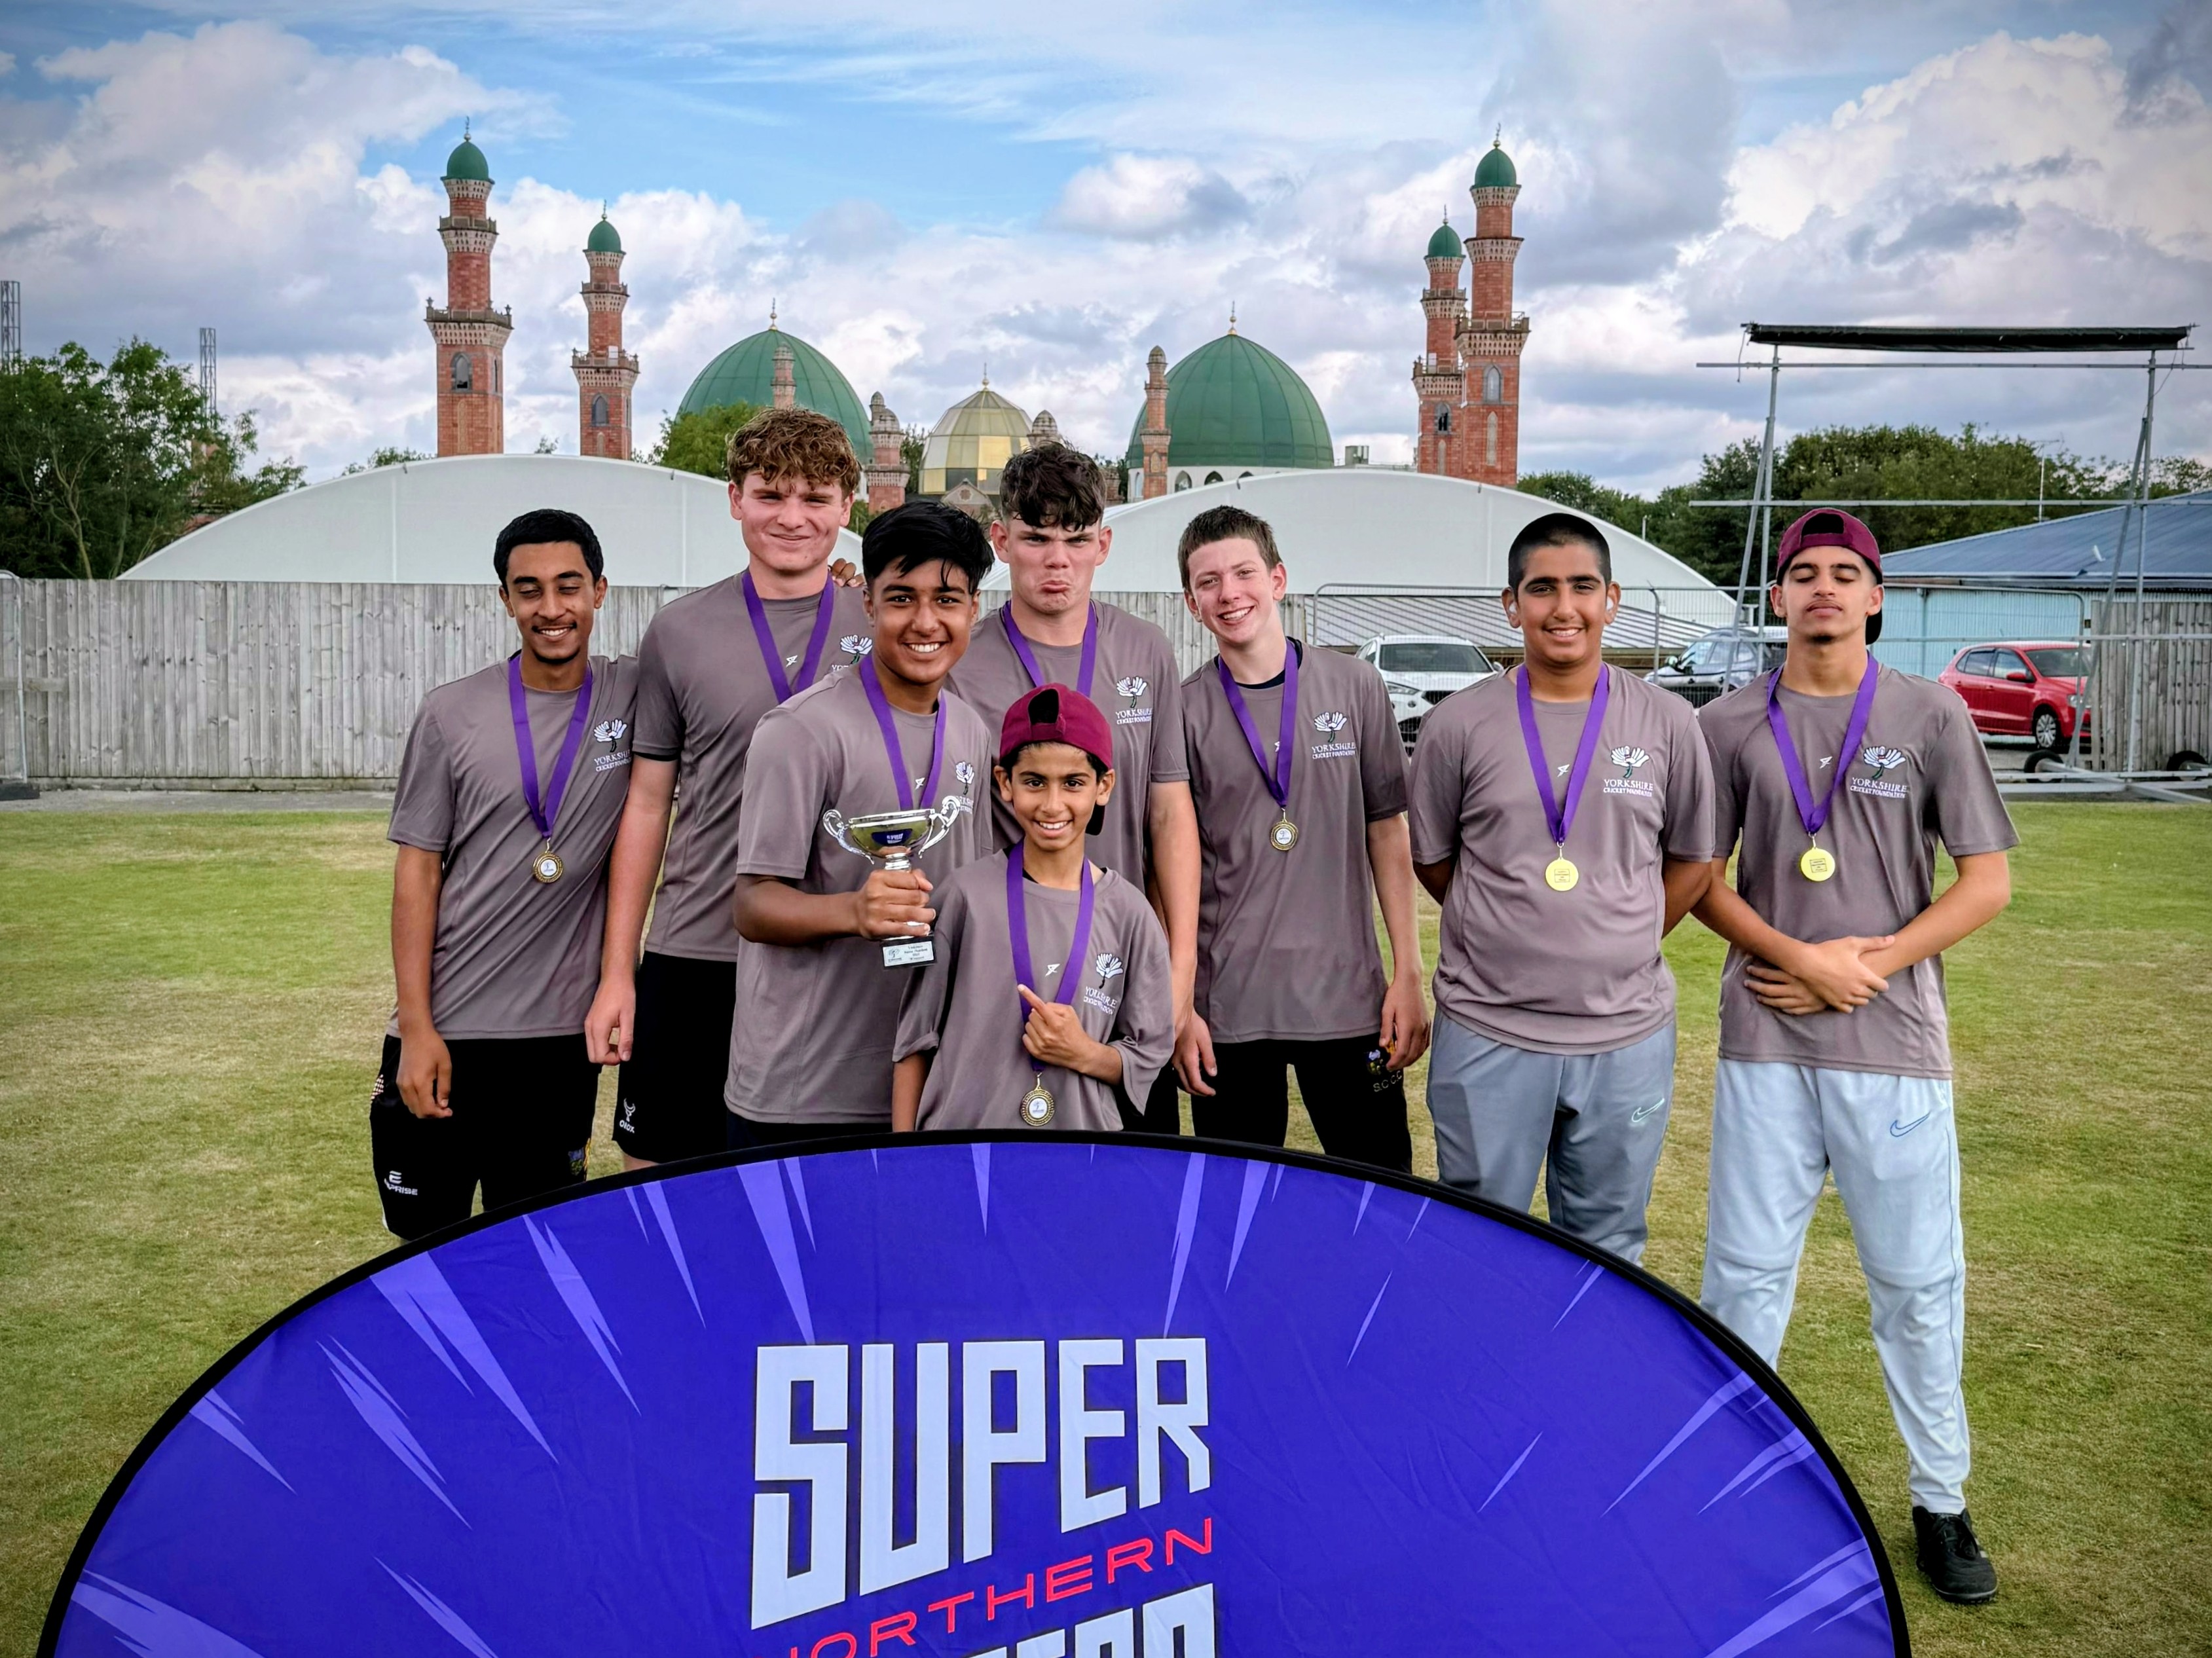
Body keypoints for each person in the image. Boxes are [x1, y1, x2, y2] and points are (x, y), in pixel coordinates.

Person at [1693, 508, 2015, 1604]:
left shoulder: (1929, 716)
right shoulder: (1728, 722)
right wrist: (1796, 957)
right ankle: (1722, 1486)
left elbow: (1984, 880)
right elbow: (1698, 880)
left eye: (1843, 574)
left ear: (1873, 596)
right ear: (1774, 597)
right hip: (1766, 1035)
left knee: (1916, 1283)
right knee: (1741, 1275)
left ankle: (1939, 1498)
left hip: (1890, 1041)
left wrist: (1865, 962)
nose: (1822, 589)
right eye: (1801, 574)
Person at [1409, 512, 1716, 1263]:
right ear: (1512, 604)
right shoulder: (1459, 724)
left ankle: (1590, 1384)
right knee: (1479, 1240)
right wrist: (1508, 928)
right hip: (1490, 1030)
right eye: (1541, 588)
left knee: (1609, 1247)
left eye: (1583, 586)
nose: (1563, 607)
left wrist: (1623, 935)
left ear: (1612, 599)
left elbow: (1694, 861)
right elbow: (1435, 860)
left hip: (1625, 1037)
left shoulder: (1670, 722)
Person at [585, 408, 870, 1168]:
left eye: (815, 498)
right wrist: (621, 972)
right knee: (664, 1187)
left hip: (838, 954)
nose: (792, 517)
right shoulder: (680, 631)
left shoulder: (882, 624)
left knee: (821, 1193)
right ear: (734, 498)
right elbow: (647, 805)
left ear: (848, 507)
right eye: (771, 494)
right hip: (700, 950)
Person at [373, 509, 638, 1239]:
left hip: (557, 1045)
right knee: (426, 1258)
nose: (551, 609)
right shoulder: (451, 714)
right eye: (529, 591)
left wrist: (840, 593)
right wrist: (418, 1028)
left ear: (600, 591)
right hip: (449, 1034)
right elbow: (417, 876)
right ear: (505, 600)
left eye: (568, 587)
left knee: (542, 1261)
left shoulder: (634, 696)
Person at [946, 443, 1199, 1132]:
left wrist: (1180, 972)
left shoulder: (1145, 648)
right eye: (1035, 538)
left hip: (1121, 958)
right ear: (1001, 541)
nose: (1057, 560)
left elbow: (1169, 814)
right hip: (1007, 964)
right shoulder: (960, 659)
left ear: (1104, 544)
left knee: (1133, 1196)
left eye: (1076, 540)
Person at [726, 502, 997, 1142]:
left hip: (930, 1086)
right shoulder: (800, 730)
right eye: (901, 598)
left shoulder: (971, 731)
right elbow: (752, 905)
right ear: (869, 603)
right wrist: (854, 912)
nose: (925, 621)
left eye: (947, 599)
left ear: (973, 612)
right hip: (804, 1096)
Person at [1173, 504, 1428, 1170]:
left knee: (1380, 1194)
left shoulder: (1355, 686)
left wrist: (1407, 973)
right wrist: (1182, 1008)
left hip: (1348, 1003)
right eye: (1208, 582)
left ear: (1279, 579)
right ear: (1192, 603)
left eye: (1244, 573)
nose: (1229, 594)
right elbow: (1174, 870)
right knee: (1234, 1211)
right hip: (1229, 1008)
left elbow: (1388, 834)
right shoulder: (1185, 709)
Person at [893, 684, 1173, 1132]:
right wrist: (902, 1162)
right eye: (1034, 782)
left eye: (1074, 783)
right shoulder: (963, 897)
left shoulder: (1129, 914)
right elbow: (914, 1042)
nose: (1052, 804)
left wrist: (1084, 1052)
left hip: (1080, 1164)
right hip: (961, 1156)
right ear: (1005, 783)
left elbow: (1150, 1052)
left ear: (1104, 787)